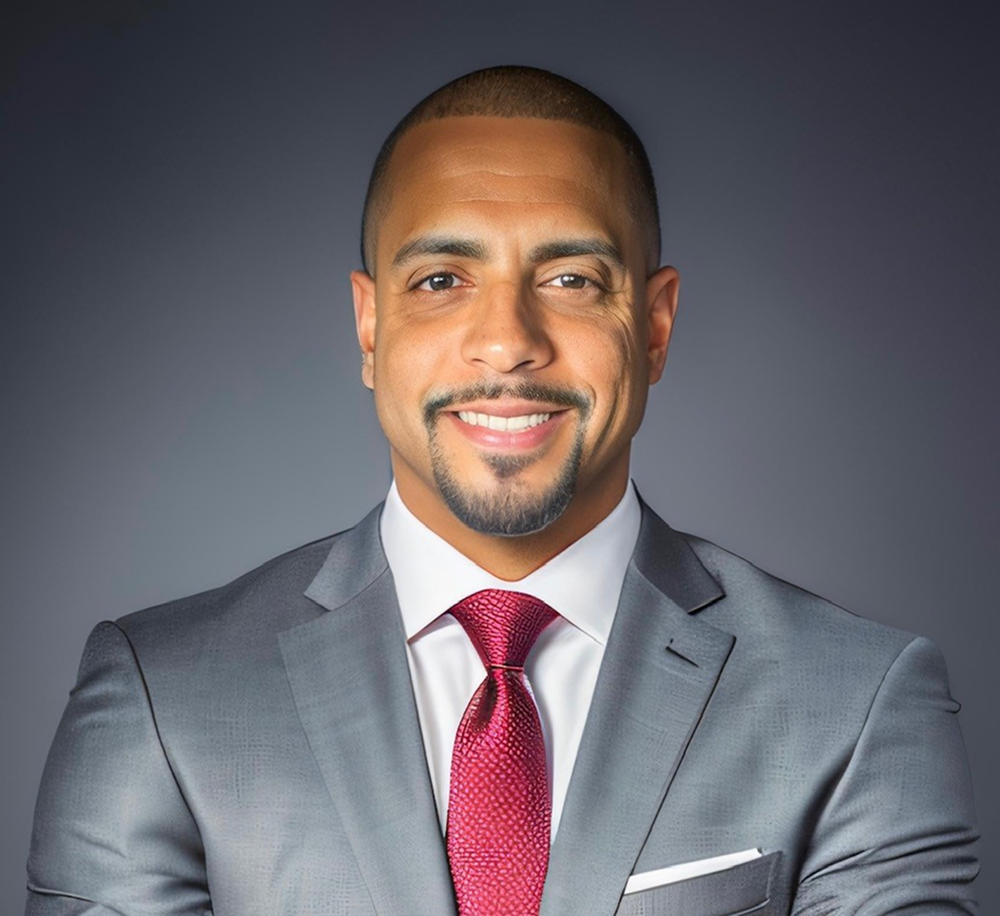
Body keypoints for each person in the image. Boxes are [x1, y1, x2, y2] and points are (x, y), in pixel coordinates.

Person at [25, 65, 979, 915]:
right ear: (369, 327)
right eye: (442, 279)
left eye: (569, 278)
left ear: (653, 326)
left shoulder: (856, 703)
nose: (506, 341)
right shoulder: (162, 697)